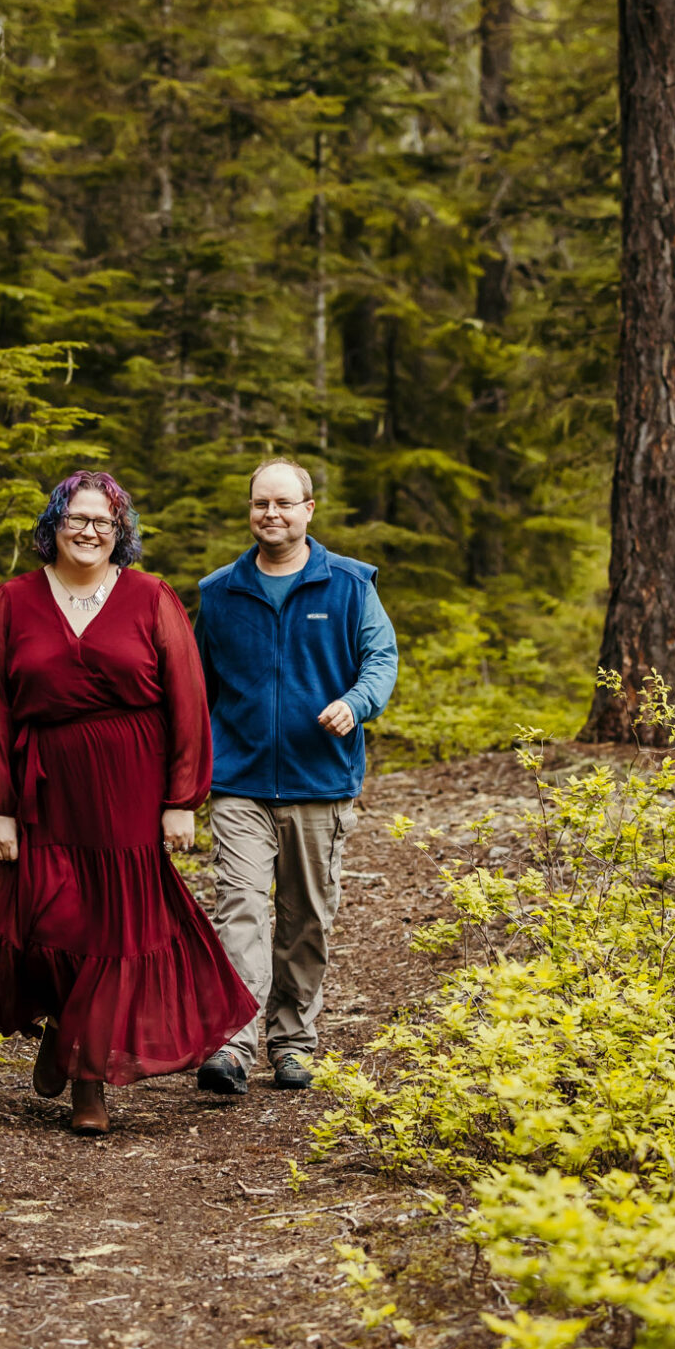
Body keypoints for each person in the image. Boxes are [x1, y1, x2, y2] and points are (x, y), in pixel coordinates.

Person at [0, 469, 255, 1135]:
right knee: (49, 922)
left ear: (121, 533)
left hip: (128, 789)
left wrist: (181, 799)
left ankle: (89, 1081)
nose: (90, 531)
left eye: (104, 522)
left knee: (112, 929)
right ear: (54, 527)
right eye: (77, 519)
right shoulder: (11, 602)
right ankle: (65, 1026)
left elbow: (187, 704)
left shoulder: (152, 598)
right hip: (44, 791)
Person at [193, 460, 398, 1095]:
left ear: (309, 508)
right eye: (261, 504)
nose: (271, 515)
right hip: (240, 782)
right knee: (242, 911)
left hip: (320, 783)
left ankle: (292, 1042)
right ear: (250, 509)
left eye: (284, 503)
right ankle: (232, 1044)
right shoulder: (220, 592)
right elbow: (196, 687)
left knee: (306, 917)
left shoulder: (349, 585)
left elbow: (381, 658)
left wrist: (356, 703)